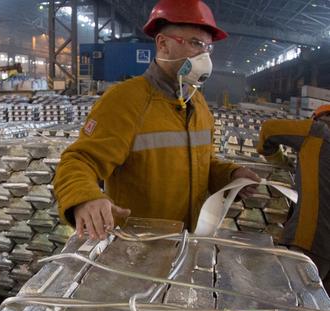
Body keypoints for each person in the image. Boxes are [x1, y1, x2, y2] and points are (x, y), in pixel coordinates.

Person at [54, 0, 260, 240]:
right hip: (137, 245)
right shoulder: (125, 100)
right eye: (196, 43)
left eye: (208, 48)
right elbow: (79, 160)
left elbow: (201, 163)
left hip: (187, 240)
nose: (204, 55)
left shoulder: (197, 103)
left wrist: (231, 175)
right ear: (163, 44)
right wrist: (86, 197)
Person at [257, 105, 330, 288]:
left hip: (310, 239)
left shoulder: (318, 131)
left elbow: (269, 130)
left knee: (288, 298)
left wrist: (279, 161)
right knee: (318, 310)